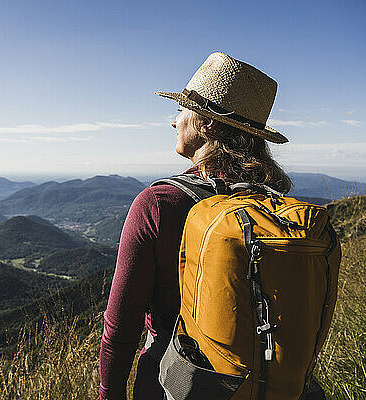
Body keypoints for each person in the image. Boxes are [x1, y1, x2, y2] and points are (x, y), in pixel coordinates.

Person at [99, 52, 294, 400]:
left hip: (174, 385)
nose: (174, 123)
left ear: (207, 123)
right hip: (264, 386)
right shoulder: (276, 205)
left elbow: (120, 327)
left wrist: (108, 393)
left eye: (181, 111)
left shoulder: (160, 204)